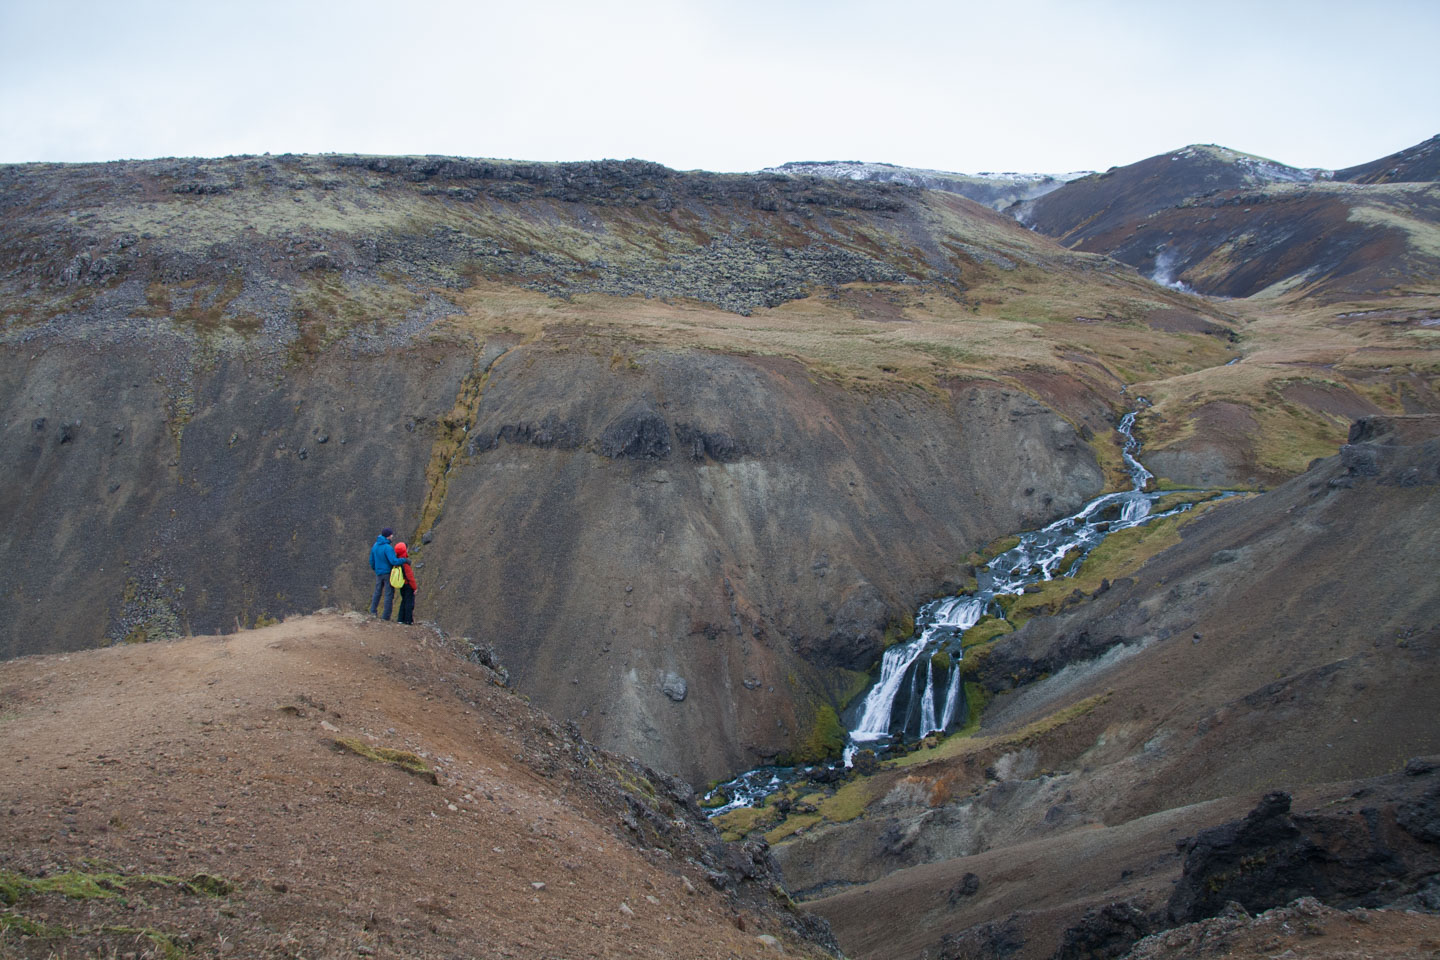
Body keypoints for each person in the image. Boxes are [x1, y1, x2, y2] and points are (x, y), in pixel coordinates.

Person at [368, 528, 404, 620]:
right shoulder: (388, 548)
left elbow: (371, 560)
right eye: (391, 535)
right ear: (388, 536)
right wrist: (404, 560)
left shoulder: (375, 546)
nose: (392, 536)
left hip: (379, 573)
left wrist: (376, 569)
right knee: (388, 594)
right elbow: (393, 561)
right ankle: (386, 616)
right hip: (388, 573)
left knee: (377, 592)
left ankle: (372, 612)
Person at [394, 542, 418, 625]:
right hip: (408, 585)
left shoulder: (397, 562)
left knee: (404, 601)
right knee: (409, 603)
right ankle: (408, 620)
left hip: (402, 585)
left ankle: (400, 619)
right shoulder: (405, 563)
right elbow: (410, 577)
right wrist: (414, 588)